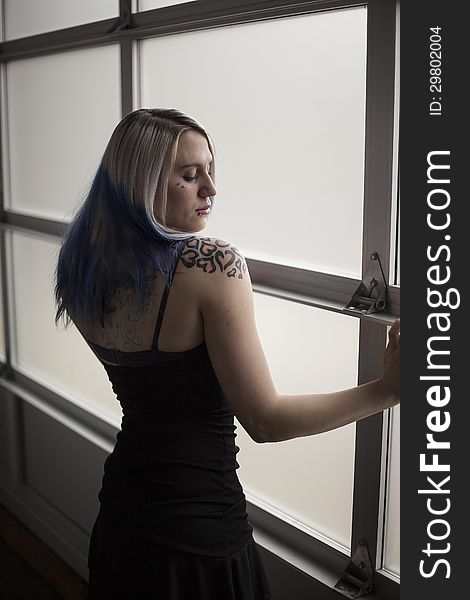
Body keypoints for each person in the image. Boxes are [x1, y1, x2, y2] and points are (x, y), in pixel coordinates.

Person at [55, 108, 400, 599]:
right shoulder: (211, 264)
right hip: (200, 529)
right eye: (190, 176)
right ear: (140, 183)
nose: (211, 190)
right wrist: (387, 389)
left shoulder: (82, 265)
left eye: (211, 172)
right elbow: (266, 421)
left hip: (122, 515)